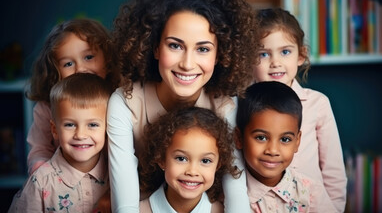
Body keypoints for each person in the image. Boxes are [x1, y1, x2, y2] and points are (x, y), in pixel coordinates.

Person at [108, 0, 257, 212]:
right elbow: (125, 203)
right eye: (175, 46)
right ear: (155, 48)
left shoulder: (225, 103)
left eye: (203, 49)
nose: (187, 64)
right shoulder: (125, 102)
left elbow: (235, 188)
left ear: (220, 55)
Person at [252, 8, 347, 212]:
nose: (275, 62)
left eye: (285, 52)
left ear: (300, 55)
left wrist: (334, 208)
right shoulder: (243, 104)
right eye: (263, 54)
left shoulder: (317, 103)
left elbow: (333, 170)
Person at [8, 73, 113, 212]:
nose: (80, 135)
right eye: (70, 125)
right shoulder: (40, 182)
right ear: (55, 130)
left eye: (92, 125)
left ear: (107, 128)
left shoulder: (116, 175)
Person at [25, 18, 118, 175]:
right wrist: (41, 173)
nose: (80, 68)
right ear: (55, 71)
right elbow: (40, 148)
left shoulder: (117, 100)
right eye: (68, 64)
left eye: (89, 57)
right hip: (61, 184)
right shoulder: (47, 107)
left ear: (107, 59)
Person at [235, 81, 337, 212]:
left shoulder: (311, 192)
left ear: (297, 141)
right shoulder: (227, 193)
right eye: (261, 137)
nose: (273, 150)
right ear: (239, 138)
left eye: (285, 139)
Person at [138, 107, 240, 213]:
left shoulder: (223, 211)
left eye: (205, 161)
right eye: (181, 158)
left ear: (218, 165)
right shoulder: (137, 210)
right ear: (161, 159)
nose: (192, 171)